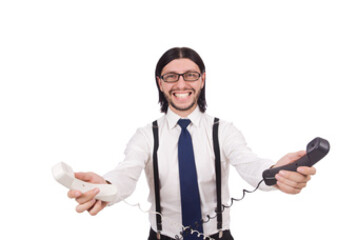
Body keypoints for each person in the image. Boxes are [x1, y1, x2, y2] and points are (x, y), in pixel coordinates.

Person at [65, 47, 318, 240]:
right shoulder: (145, 135)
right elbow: (126, 173)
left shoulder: (224, 131)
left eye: (190, 75)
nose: (182, 84)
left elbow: (248, 162)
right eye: (171, 76)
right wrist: (106, 188)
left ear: (202, 79)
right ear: (160, 82)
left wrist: (274, 173)